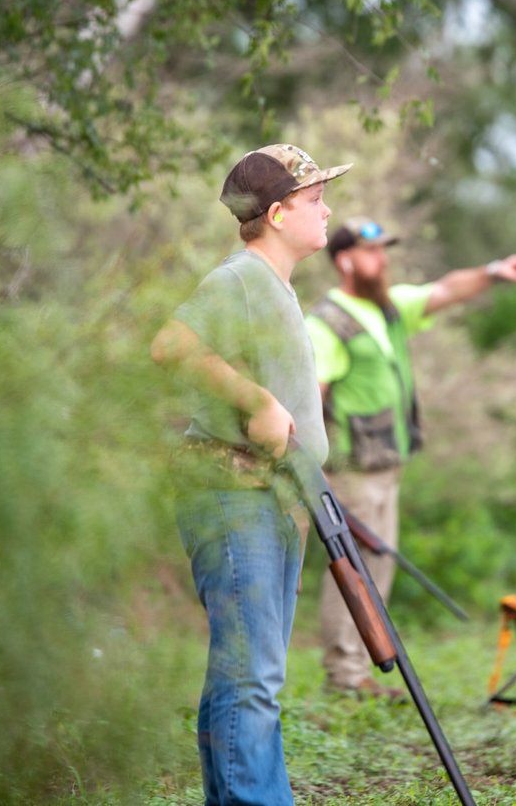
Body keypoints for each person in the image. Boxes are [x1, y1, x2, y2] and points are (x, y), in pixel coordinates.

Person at [150, 143, 350, 805]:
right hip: (233, 497)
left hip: (270, 499)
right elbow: (169, 345)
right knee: (252, 677)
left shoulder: (275, 286)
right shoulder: (240, 277)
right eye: (314, 200)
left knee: (244, 677)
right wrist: (256, 401)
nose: (327, 211)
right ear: (275, 213)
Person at [306, 217, 516, 698]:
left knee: (378, 569)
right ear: (345, 260)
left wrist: (495, 271)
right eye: (372, 252)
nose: (382, 260)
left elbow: (446, 290)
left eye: (383, 251)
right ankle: (344, 678)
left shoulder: (388, 310)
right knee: (352, 572)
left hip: (387, 468)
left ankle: (359, 675)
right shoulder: (325, 323)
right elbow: (311, 396)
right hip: (351, 472)